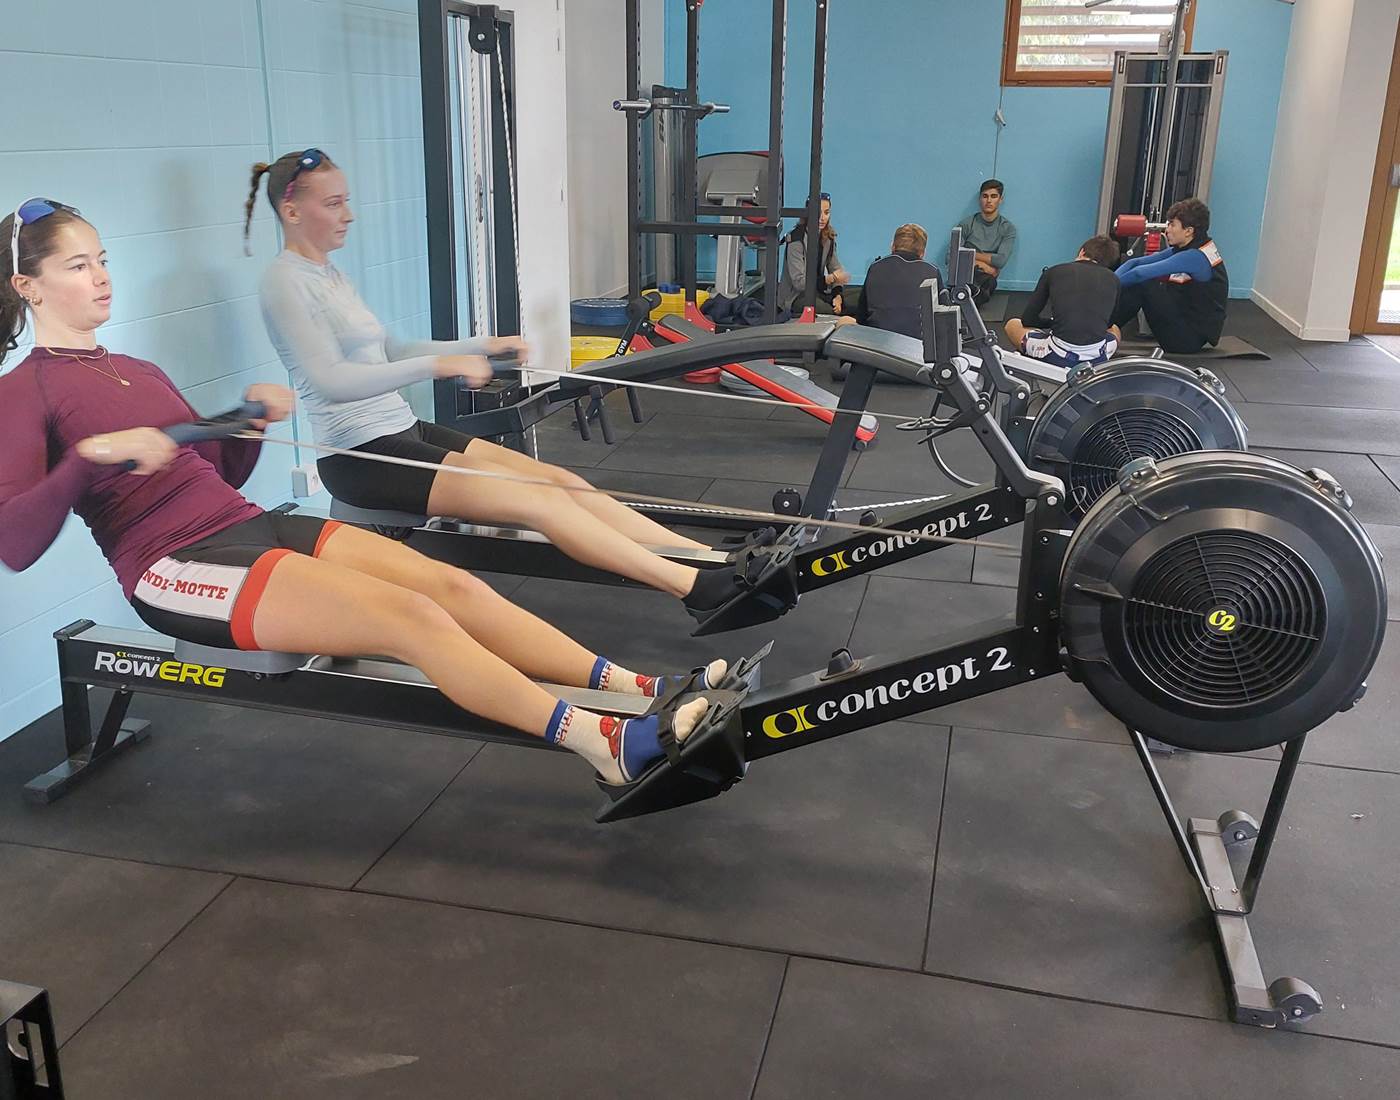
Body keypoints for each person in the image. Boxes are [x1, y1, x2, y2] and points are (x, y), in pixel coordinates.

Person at [0, 198, 723, 788]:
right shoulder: (22, 392)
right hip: (173, 567)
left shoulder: (133, 366)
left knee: (452, 587)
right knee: (411, 618)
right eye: (77, 265)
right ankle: (604, 744)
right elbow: (16, 542)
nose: (99, 276)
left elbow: (217, 472)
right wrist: (84, 462)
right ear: (27, 287)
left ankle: (637, 690)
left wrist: (247, 422)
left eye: (102, 260)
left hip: (246, 523)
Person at [246, 149, 736, 621]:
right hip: (359, 456)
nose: (349, 214)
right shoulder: (283, 281)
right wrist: (439, 368)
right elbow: (330, 381)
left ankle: (708, 560)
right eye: (333, 203)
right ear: (291, 210)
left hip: (401, 428)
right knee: (536, 503)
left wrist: (483, 345)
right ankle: (692, 588)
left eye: (346, 200)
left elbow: (392, 349)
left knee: (561, 483)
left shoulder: (328, 273)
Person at [1110, 197, 1229, 355]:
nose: (1167, 230)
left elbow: (1139, 273)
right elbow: (1135, 263)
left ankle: (1101, 330)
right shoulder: (1186, 248)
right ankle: (1104, 327)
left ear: (1188, 231)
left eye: (1173, 225)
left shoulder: (1195, 257)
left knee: (1144, 284)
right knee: (1141, 282)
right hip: (1181, 323)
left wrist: (1104, 289)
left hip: (1187, 340)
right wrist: (1108, 282)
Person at [1005, 235, 1122, 367]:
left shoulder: (1054, 271)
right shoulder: (1114, 279)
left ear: (1082, 252)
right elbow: (1109, 324)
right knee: (1115, 329)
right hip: (1097, 356)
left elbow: (1028, 319)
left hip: (1057, 354)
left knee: (1012, 324)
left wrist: (1053, 322)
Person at [850, 223, 943, 340]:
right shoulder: (933, 271)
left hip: (876, 344)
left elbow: (861, 317)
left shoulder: (875, 267)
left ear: (892, 246)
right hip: (919, 347)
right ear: (922, 253)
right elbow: (943, 319)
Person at [776, 193, 851, 315]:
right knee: (828, 311)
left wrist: (838, 295)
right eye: (818, 213)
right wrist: (830, 279)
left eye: (826, 213)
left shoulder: (828, 238)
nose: (822, 218)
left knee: (861, 299)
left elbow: (836, 269)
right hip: (796, 296)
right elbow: (799, 283)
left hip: (819, 291)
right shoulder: (796, 240)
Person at [955, 179, 1017, 306]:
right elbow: (952, 256)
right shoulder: (967, 224)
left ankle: (969, 302)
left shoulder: (1008, 228)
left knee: (989, 283)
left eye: (993, 196)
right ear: (980, 199)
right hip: (965, 275)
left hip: (987, 280)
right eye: (985, 196)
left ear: (1000, 199)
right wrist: (985, 265)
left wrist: (968, 254)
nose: (989, 201)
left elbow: (1001, 261)